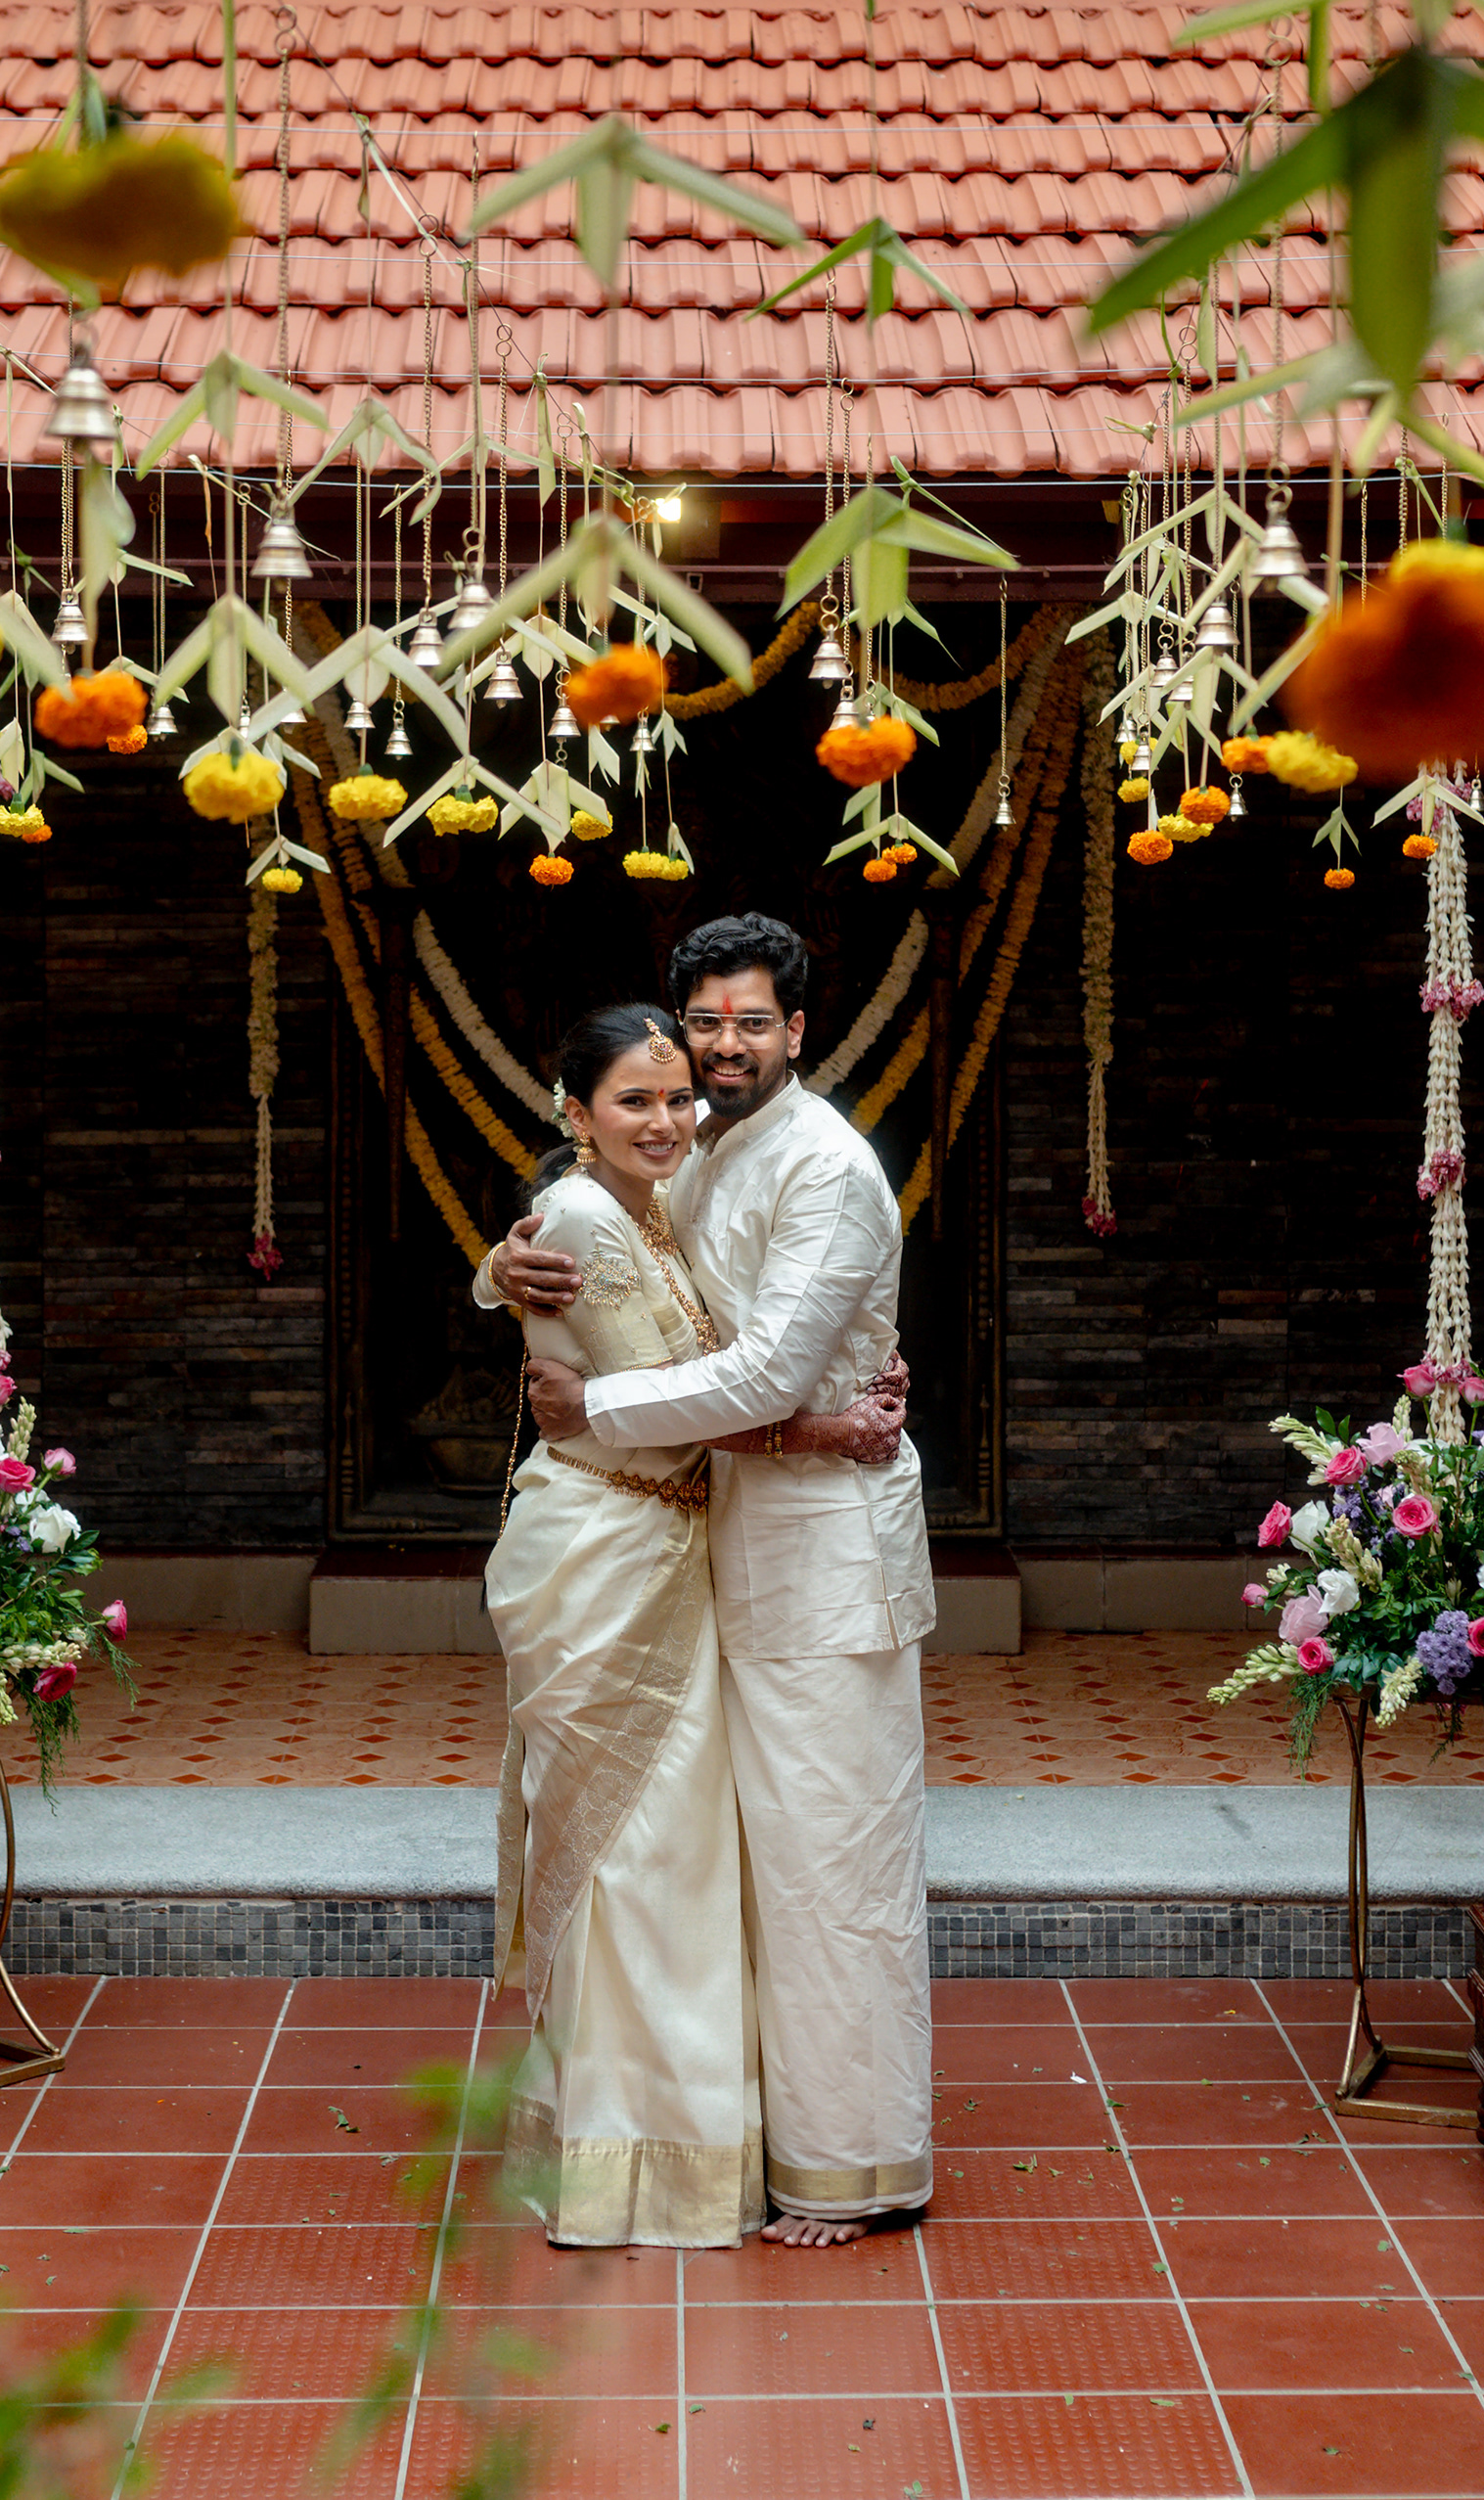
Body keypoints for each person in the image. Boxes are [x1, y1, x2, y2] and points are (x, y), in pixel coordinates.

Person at [486, 917, 938, 2248]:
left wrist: (594, 1406)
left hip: (826, 1558)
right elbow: (598, 1252)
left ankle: (856, 2170)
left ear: (799, 1029)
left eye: (751, 1023)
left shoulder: (826, 1168)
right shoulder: (704, 1151)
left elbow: (764, 1373)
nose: (723, 1049)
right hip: (717, 1542)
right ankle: (769, 2141)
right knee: (760, 1871)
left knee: (837, 1866)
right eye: (705, 1025)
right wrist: (499, 1272)